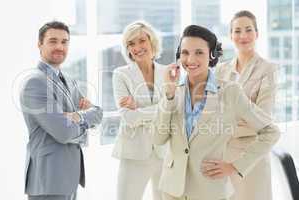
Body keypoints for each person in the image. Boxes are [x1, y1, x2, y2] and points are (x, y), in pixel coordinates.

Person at [154, 25, 280, 200]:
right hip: (172, 190)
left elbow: (271, 131)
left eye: (199, 52)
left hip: (210, 191)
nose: (190, 59)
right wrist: (168, 94)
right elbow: (158, 139)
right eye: (185, 52)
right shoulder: (172, 90)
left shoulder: (230, 91)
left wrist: (235, 166)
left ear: (212, 55)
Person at [20, 21, 103, 200]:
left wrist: (76, 117)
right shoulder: (35, 83)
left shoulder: (68, 80)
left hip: (68, 178)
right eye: (53, 41)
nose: (60, 46)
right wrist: (84, 122)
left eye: (64, 42)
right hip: (48, 179)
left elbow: (98, 112)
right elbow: (64, 132)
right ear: (39, 44)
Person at [215, 10, 277, 200]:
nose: (243, 36)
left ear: (257, 34)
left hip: (253, 156)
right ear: (231, 36)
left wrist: (229, 122)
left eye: (248, 30)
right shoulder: (221, 70)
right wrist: (242, 119)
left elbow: (264, 118)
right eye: (237, 31)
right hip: (224, 155)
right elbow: (215, 114)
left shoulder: (267, 69)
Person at [112, 21, 166, 200]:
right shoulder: (121, 75)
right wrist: (161, 109)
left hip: (164, 152)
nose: (137, 47)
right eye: (131, 43)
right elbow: (129, 118)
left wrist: (140, 108)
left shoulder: (167, 73)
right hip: (133, 154)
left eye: (141, 40)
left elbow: (174, 111)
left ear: (152, 42)